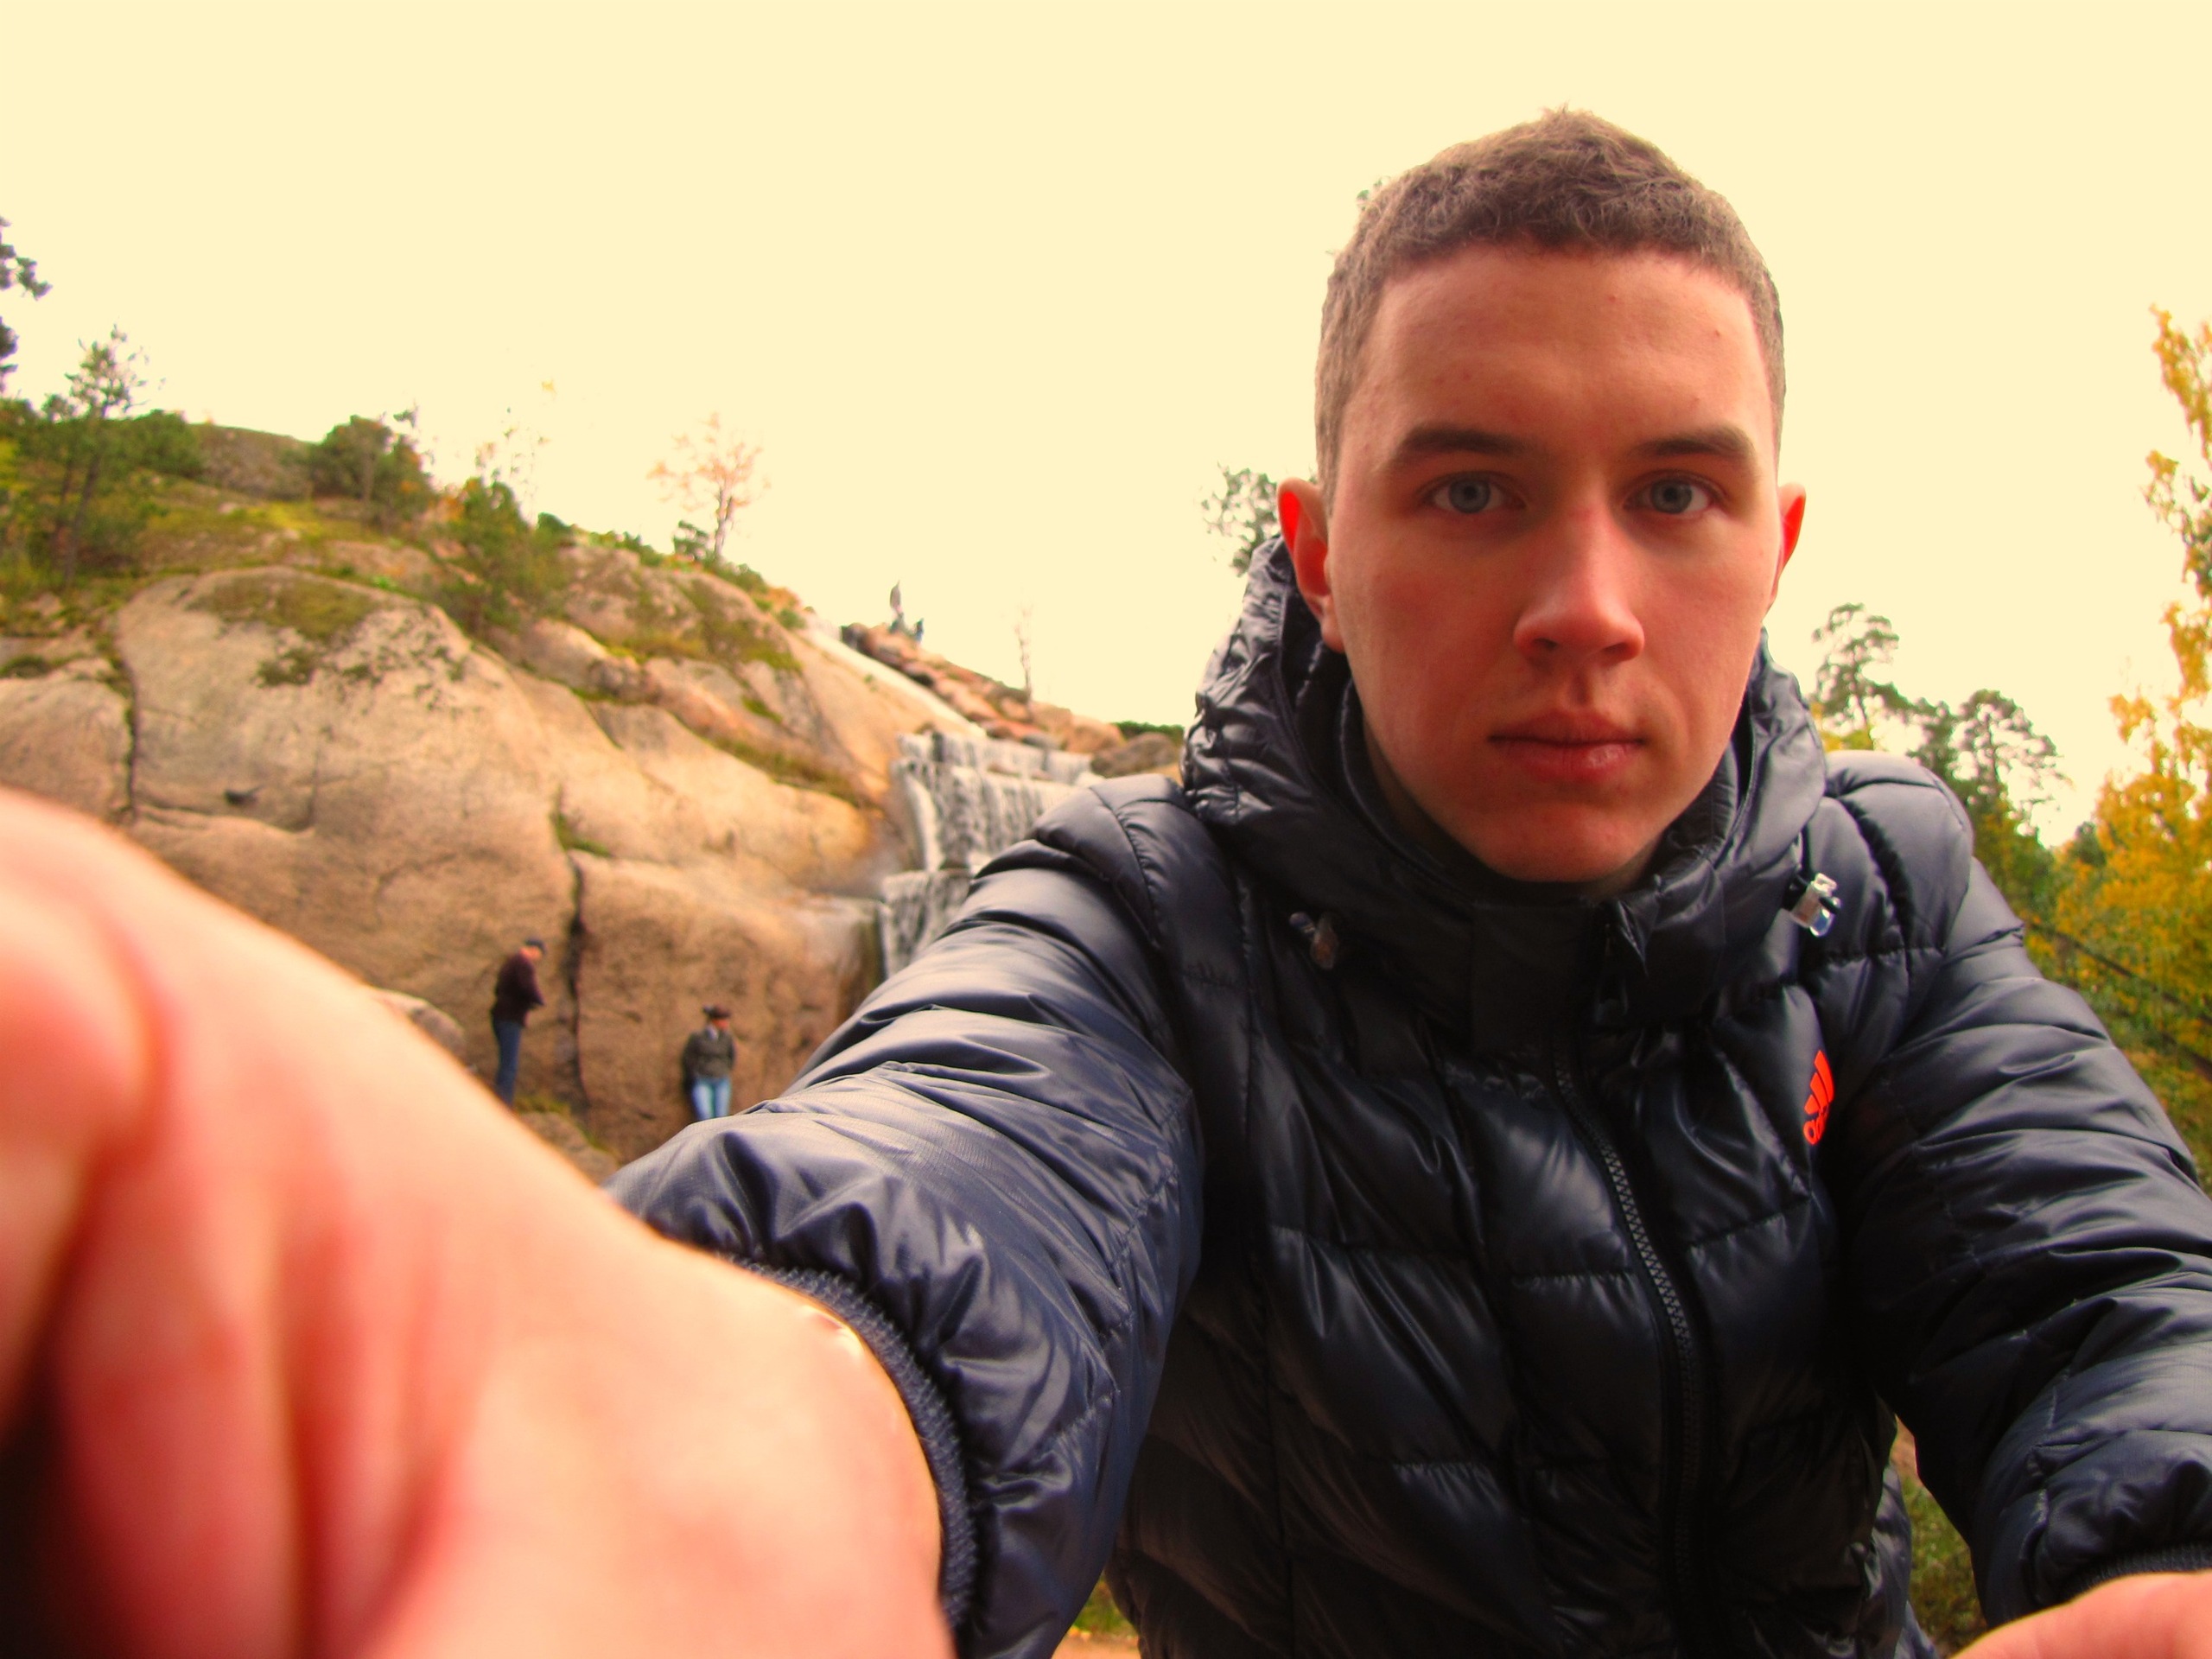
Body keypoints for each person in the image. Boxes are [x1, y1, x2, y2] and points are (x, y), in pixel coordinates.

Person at [0, 111, 2209, 1659]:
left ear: (1776, 544)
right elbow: (943, 1198)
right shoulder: (1135, 928)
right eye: (1467, 491)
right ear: (1316, 551)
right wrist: (716, 1451)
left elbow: (2108, 1297)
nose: (1583, 606)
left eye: (1673, 495)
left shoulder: (1877, 888)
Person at [488, 937, 545, 1105]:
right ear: (534, 950)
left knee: (505, 1061)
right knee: (509, 1064)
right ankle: (504, 1102)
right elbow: (528, 988)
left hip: (500, 1016)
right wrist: (539, 1001)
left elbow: (498, 989)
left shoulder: (510, 962)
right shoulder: (523, 964)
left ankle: (499, 1098)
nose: (539, 959)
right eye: (540, 954)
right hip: (510, 1018)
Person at [683, 1004, 737, 1122]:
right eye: (723, 1020)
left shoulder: (726, 1038)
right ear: (714, 1020)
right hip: (703, 1079)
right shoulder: (698, 1037)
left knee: (721, 1115)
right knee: (704, 1114)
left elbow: (731, 1056)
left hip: (721, 1079)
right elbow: (689, 1057)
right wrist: (695, 1073)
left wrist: (724, 1069)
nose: (726, 1023)